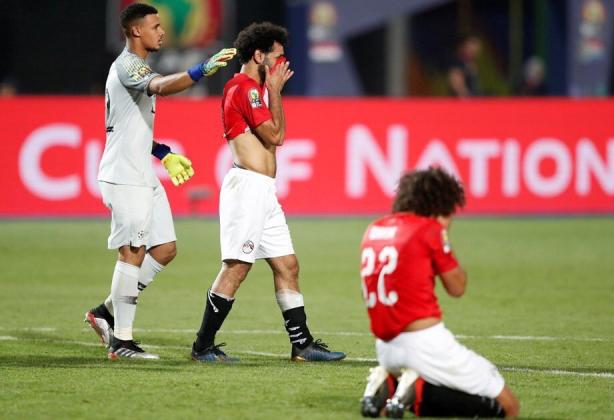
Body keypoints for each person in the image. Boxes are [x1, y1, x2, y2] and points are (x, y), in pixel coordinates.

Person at [84, 2, 236, 360]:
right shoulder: (128, 65)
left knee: (165, 249)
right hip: (124, 176)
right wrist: (201, 70)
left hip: (141, 172)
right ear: (136, 30)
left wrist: (163, 152)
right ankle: (121, 341)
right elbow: (163, 87)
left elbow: (130, 127)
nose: (162, 31)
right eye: (155, 26)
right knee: (133, 251)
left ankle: (105, 312)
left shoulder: (136, 67)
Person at [190, 22, 346, 363]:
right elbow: (276, 136)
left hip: (263, 190)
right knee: (236, 267)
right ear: (259, 56)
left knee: (287, 265)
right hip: (246, 188)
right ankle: (202, 346)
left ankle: (302, 345)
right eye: (277, 57)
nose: (282, 64)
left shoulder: (254, 90)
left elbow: (274, 137)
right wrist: (275, 91)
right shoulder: (243, 88)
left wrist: (271, 91)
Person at [358, 168, 520, 418]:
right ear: (441, 205)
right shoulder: (429, 230)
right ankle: (415, 390)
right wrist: (443, 239)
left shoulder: (374, 229)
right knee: (509, 406)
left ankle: (391, 384)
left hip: (386, 348)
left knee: (446, 395)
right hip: (425, 342)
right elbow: (457, 287)